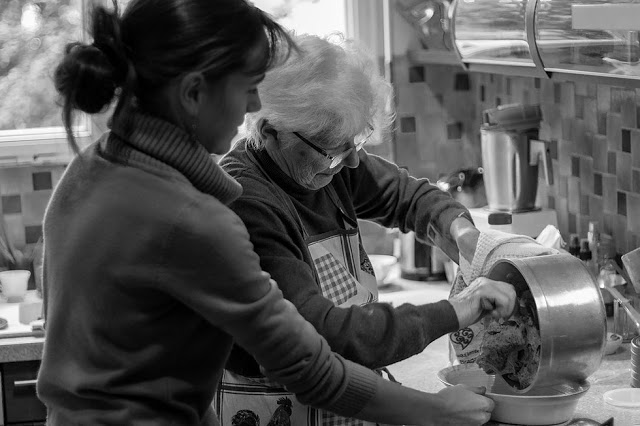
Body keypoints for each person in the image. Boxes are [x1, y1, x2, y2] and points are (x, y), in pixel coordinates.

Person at [36, 1, 515, 425]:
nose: (253, 105)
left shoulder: (92, 167)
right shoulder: (193, 218)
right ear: (193, 93)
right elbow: (307, 364)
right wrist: (429, 411)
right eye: (247, 86)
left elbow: (139, 364)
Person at [218, 34, 519, 425]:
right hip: (274, 406)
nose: (354, 162)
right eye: (336, 149)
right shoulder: (246, 201)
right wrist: (456, 311)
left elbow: (410, 198)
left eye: (355, 143)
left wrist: (467, 240)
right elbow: (320, 334)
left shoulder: (328, 166)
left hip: (347, 398)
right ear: (273, 131)